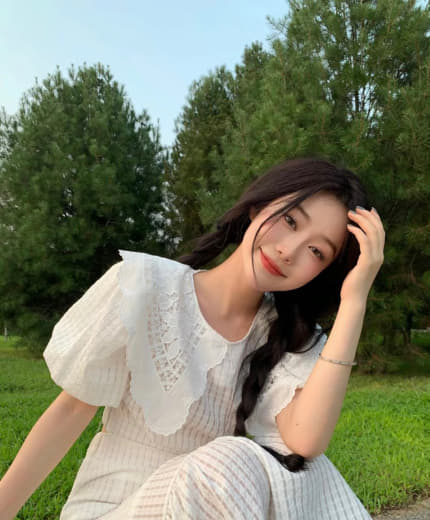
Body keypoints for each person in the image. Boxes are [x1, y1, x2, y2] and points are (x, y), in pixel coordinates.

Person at [0, 157, 385, 519]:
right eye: (290, 220)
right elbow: (70, 411)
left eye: (316, 251)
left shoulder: (285, 336)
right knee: (225, 464)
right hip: (113, 507)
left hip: (211, 501)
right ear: (258, 206)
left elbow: (307, 441)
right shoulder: (144, 284)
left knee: (308, 471)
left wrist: (354, 301)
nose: (289, 251)